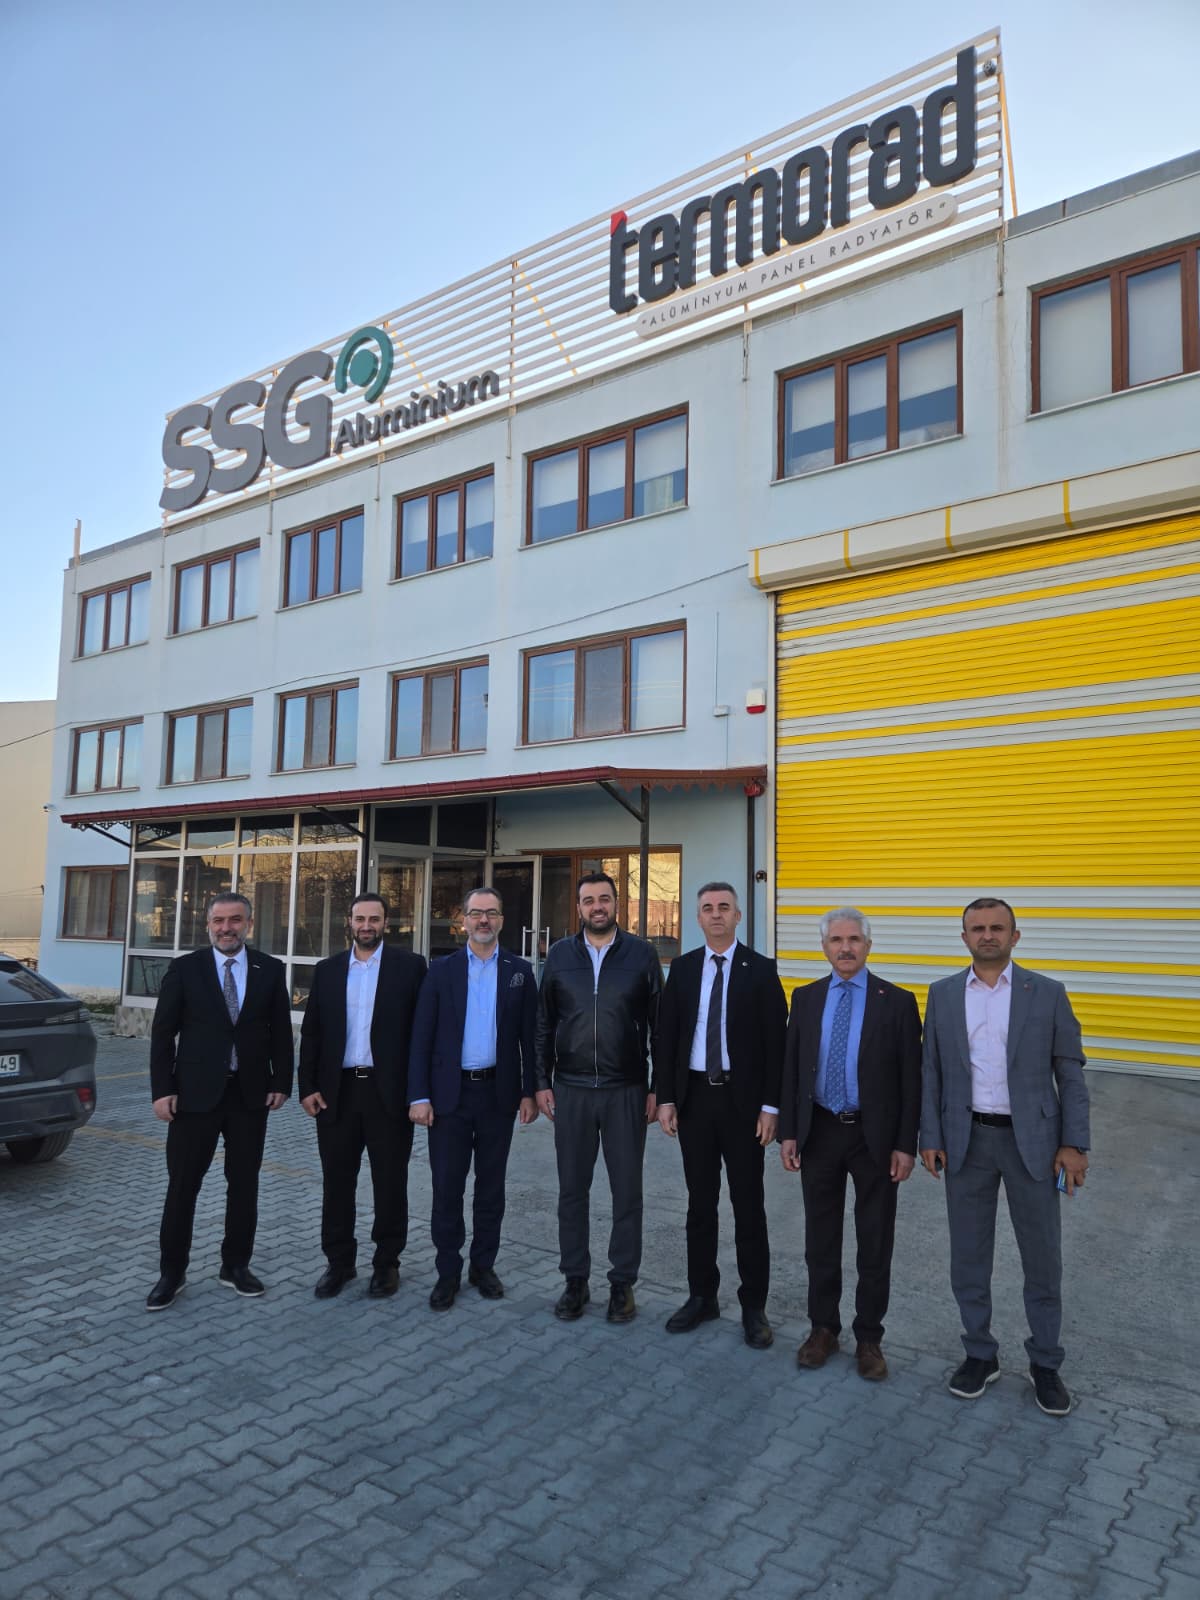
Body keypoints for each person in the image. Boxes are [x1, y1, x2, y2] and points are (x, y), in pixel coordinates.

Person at [920, 897, 1090, 1417]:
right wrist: (930, 1135)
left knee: (1042, 1259)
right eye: (978, 928)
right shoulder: (943, 994)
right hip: (966, 1141)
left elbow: (1071, 1073)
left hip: (1033, 1145)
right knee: (969, 1256)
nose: (987, 935)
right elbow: (931, 1072)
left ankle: (1046, 1363)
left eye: (998, 928)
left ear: (1015, 937)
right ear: (964, 938)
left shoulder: (1048, 994)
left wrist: (1074, 1143)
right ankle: (980, 1353)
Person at [778, 907, 921, 1381]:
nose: (845, 948)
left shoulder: (897, 1002)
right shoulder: (805, 998)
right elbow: (792, 1068)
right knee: (820, 1238)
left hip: (873, 1136)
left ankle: (869, 1338)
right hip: (819, 1130)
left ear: (868, 946)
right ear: (824, 947)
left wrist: (905, 1144)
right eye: (836, 940)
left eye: (854, 939)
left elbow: (911, 1081)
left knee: (874, 1239)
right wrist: (790, 1132)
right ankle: (823, 1328)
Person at [655, 882, 786, 1348]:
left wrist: (771, 1106)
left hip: (743, 1105)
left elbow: (777, 1044)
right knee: (700, 1205)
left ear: (738, 916)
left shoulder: (761, 970)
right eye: (708, 908)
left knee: (748, 1207)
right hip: (695, 1100)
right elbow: (666, 1036)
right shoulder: (683, 968)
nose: (716, 914)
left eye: (724, 907)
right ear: (697, 917)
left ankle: (754, 1306)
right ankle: (702, 1296)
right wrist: (666, 1098)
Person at [147, 893, 293, 1310]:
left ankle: (235, 1266)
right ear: (208, 924)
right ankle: (172, 1273)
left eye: (235, 920)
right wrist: (162, 1090)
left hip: (249, 1096)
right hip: (193, 1097)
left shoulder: (270, 969)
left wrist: (281, 1081)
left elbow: (281, 1032)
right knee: (183, 1187)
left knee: (244, 1185)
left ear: (249, 923)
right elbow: (163, 1034)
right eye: (219, 921)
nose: (226, 928)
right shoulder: (185, 969)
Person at [535, 871, 661, 1324]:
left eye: (604, 899)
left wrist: (658, 1089)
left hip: (625, 1090)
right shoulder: (560, 955)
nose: (597, 907)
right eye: (588, 900)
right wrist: (541, 1082)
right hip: (571, 1091)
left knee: (627, 1193)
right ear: (579, 908)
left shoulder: (642, 955)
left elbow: (661, 1028)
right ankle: (575, 1280)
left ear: (616, 904)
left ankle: (622, 1284)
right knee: (572, 1191)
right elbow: (543, 1024)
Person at [408, 885, 539, 1310]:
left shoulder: (520, 971)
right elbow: (421, 1037)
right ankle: (447, 1272)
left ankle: (483, 1267)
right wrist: (419, 1095)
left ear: (502, 920)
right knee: (447, 1188)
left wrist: (529, 1092)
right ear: (462, 920)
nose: (484, 920)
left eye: (492, 913)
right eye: (476, 913)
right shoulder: (440, 970)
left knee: (491, 1188)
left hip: (498, 1096)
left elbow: (530, 1039)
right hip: (450, 1097)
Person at [298, 893, 427, 1300]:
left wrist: (419, 1093)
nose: (366, 925)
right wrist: (307, 1087)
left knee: (390, 1182)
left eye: (374, 919)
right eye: (360, 919)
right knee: (337, 1182)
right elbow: (312, 1033)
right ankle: (339, 1262)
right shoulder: (328, 970)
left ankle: (387, 1263)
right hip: (336, 1093)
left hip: (388, 1093)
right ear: (349, 922)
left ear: (386, 922)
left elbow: (422, 1034)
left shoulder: (410, 967)